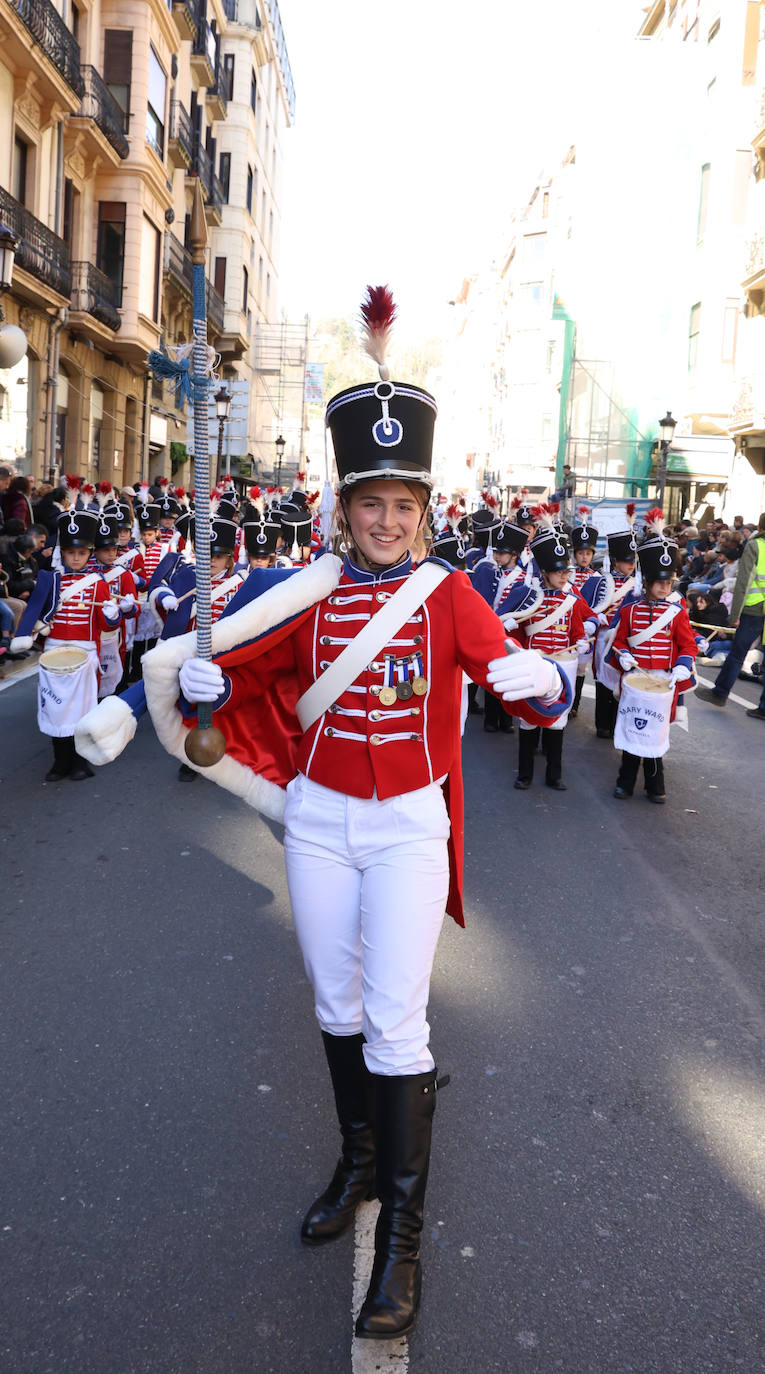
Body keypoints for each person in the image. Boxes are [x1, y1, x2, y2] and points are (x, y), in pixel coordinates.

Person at [78, 290, 572, 1340]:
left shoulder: (449, 595)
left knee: (396, 1020)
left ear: (423, 509)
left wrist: (547, 682)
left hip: (406, 831)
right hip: (316, 822)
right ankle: (356, 1161)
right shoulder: (303, 591)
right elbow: (242, 669)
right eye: (369, 503)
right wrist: (197, 689)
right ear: (344, 509)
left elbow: (531, 687)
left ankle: (401, 1239)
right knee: (337, 1005)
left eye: (403, 504)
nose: (386, 520)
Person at [11, 509, 122, 779]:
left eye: (81, 553)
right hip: (54, 653)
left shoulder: (98, 584)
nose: (75, 558)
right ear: (63, 552)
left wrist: (112, 614)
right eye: (71, 552)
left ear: (89, 553)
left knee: (82, 711)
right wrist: (38, 629)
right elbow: (36, 616)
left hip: (85, 654)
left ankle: (80, 762)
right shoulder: (51, 581)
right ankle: (60, 761)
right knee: (56, 709)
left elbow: (108, 626)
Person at [609, 511, 697, 802]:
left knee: (656, 735)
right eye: (659, 582)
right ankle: (625, 782)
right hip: (636, 679)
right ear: (646, 581)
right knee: (632, 732)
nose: (663, 587)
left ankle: (655, 786)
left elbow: (688, 646)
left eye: (668, 583)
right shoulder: (629, 610)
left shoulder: (676, 613)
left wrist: (683, 667)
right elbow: (619, 641)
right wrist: (623, 655)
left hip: (662, 681)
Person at [512, 510, 588, 790]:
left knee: (557, 722)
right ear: (545, 572)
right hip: (535, 665)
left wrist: (582, 641)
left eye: (566, 572)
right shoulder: (530, 597)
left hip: (563, 667)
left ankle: (554, 775)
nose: (564, 576)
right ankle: (525, 774)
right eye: (559, 572)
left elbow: (577, 630)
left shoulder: (572, 601)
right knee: (529, 721)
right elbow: (518, 634)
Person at [696, 511, 765, 718]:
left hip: (754, 609)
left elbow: (744, 582)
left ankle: (720, 693)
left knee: (737, 653)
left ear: (759, 528)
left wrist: (734, 615)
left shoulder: (755, 546)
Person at [593, 508, 639, 738]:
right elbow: (588, 607)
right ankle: (602, 724)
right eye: (625, 560)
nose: (630, 565)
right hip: (605, 637)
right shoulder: (602, 581)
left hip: (626, 640)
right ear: (615, 561)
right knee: (604, 681)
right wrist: (596, 618)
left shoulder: (639, 586)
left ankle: (616, 725)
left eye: (633, 560)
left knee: (624, 682)